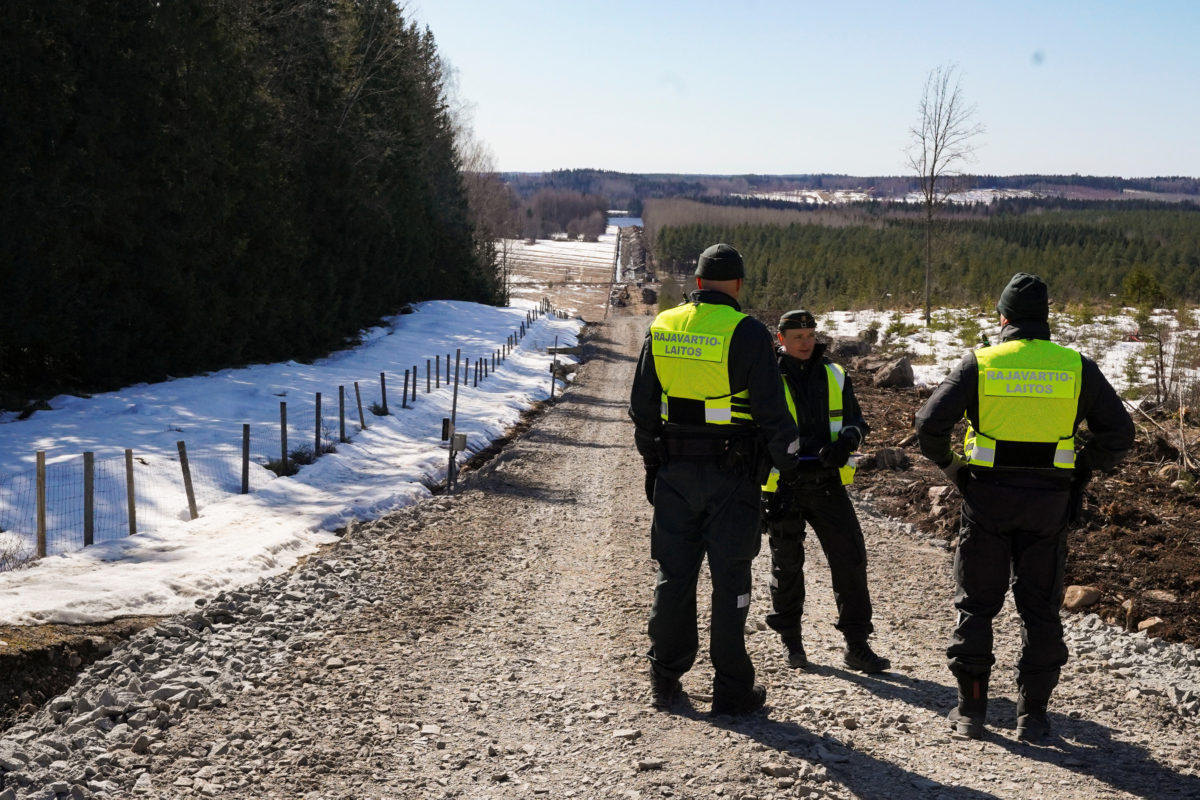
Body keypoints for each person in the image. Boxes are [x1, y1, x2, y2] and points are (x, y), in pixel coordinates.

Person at [914, 273, 1134, 742]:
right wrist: (1081, 468)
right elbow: (1120, 434)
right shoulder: (1076, 366)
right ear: (1046, 319)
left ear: (1003, 318)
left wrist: (953, 467)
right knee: (1040, 610)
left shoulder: (981, 362)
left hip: (987, 499)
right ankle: (1032, 717)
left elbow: (929, 424)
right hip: (1048, 506)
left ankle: (972, 711)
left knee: (976, 605)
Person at [629, 243, 801, 716]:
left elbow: (642, 409)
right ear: (739, 285)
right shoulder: (747, 332)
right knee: (731, 581)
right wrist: (789, 472)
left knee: (674, 575)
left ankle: (664, 679)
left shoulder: (663, 326)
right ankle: (732, 689)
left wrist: (653, 465)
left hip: (675, 474)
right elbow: (773, 415)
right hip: (733, 477)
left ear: (698, 282)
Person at [760, 310, 890, 673]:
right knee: (787, 567)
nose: (805, 342)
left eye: (810, 335)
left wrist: (847, 441)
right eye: (797, 336)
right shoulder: (767, 376)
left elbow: (856, 422)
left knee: (850, 561)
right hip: (784, 484)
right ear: (781, 338)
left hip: (827, 483)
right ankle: (793, 644)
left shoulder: (835, 374)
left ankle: (857, 645)